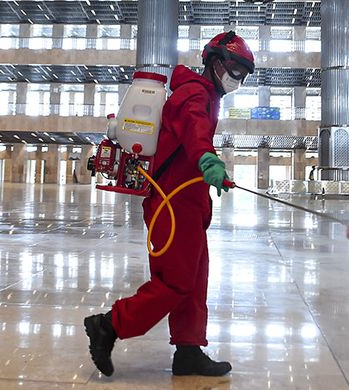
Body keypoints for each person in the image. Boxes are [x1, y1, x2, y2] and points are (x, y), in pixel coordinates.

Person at [84, 31, 255, 378]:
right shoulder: (194, 94)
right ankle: (108, 325)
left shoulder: (208, 96)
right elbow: (195, 134)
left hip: (188, 204)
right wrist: (208, 159)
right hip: (172, 204)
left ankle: (189, 351)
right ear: (214, 61)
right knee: (175, 281)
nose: (237, 77)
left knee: (194, 279)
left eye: (243, 72)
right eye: (234, 68)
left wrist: (207, 165)